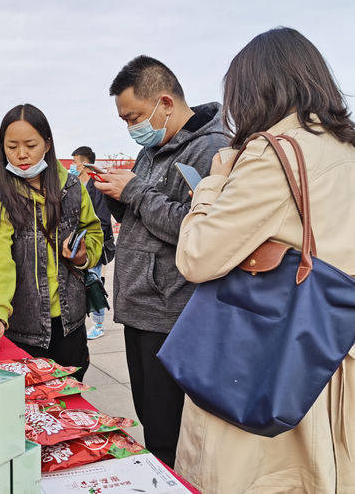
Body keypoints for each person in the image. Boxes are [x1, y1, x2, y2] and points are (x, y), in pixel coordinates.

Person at [173, 27, 355, 494]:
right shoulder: (347, 148)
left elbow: (197, 256)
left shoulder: (274, 155)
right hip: (334, 348)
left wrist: (212, 184)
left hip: (275, 355)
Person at [95, 55, 226, 467]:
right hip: (140, 306)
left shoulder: (212, 149)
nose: (131, 127)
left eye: (133, 116)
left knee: (172, 434)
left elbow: (198, 232)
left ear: (165, 103)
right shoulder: (153, 149)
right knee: (153, 422)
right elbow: (142, 217)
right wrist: (115, 195)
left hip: (173, 312)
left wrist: (133, 192)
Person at [0, 104, 103, 381]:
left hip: (70, 326)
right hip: (22, 327)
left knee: (71, 402)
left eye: (30, 145)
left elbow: (94, 233)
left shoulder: (72, 188)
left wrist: (82, 255)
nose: (21, 155)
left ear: (47, 144)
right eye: (12, 146)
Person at [70, 146, 115, 340]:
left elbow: (103, 221)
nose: (73, 165)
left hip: (94, 245)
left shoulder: (97, 187)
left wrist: (91, 242)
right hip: (76, 245)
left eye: (75, 161)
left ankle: (98, 324)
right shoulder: (73, 185)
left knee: (94, 283)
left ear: (85, 164)